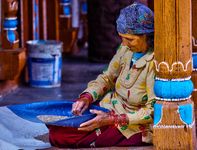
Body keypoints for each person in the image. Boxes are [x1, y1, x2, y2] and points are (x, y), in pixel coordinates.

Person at [48, 2, 155, 148]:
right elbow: (107, 78)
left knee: (58, 135)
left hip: (131, 123)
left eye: (130, 39)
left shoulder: (154, 63)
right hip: (110, 107)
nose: (124, 43)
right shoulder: (125, 49)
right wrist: (87, 97)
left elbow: (151, 111)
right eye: (122, 37)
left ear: (146, 37)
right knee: (58, 115)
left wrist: (112, 120)